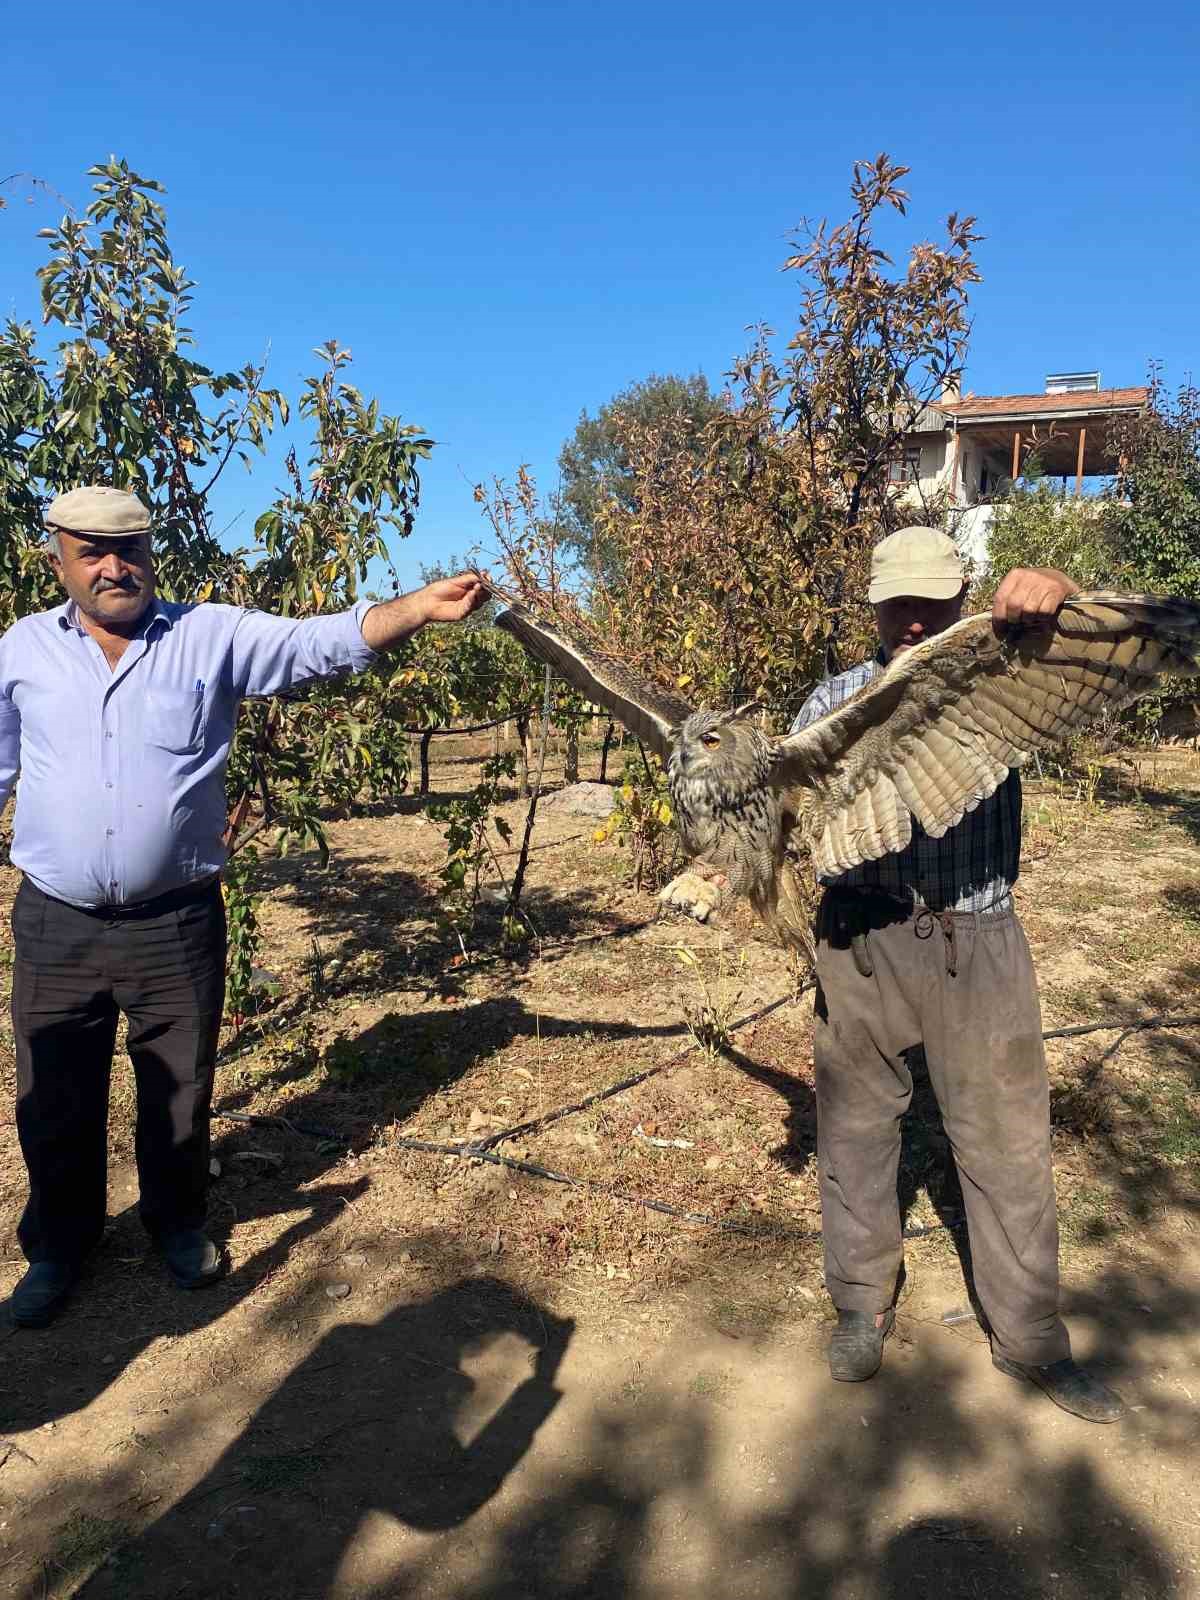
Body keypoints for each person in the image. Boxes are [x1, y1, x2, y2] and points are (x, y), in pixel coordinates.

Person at [0, 485, 486, 1327]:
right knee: (53, 1095)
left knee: (181, 1091)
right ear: (58, 561)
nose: (115, 566)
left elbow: (313, 645)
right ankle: (59, 1245)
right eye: (92, 552)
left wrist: (414, 608)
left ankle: (178, 1224)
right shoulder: (19, 652)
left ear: (152, 554)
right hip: (58, 921)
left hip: (175, 920)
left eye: (131, 550)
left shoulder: (209, 634)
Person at [790, 526, 1125, 1424]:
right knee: (857, 1133)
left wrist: (1062, 584)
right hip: (860, 940)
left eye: (932, 601)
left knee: (1009, 1144)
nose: (913, 620)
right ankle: (861, 1305)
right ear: (871, 603)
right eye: (898, 602)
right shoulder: (829, 702)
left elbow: (1092, 642)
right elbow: (786, 825)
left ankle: (1031, 1341)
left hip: (975, 938)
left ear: (961, 594)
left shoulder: (1006, 668)